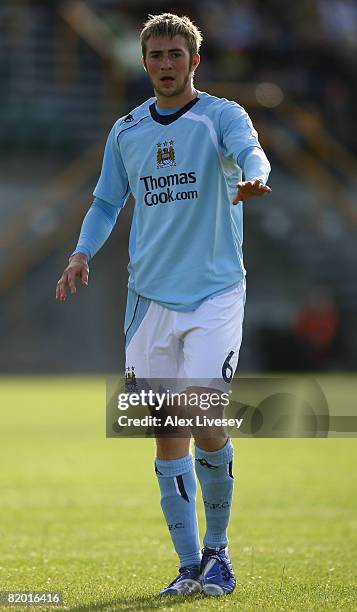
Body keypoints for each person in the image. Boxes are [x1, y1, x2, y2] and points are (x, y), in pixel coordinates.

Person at [56, 13, 271, 597]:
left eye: (177, 54)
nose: (167, 64)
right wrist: (81, 252)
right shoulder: (126, 131)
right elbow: (105, 203)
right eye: (156, 55)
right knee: (166, 431)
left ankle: (218, 553)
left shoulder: (221, 116)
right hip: (149, 300)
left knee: (202, 417)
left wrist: (254, 176)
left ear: (194, 61)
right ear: (144, 61)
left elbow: (252, 152)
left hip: (214, 294)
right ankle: (186, 568)